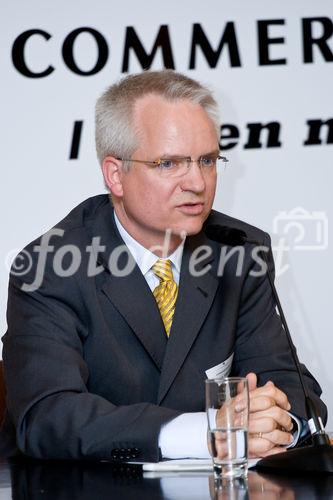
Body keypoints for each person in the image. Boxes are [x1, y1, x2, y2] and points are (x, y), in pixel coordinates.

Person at [2, 70, 326, 461]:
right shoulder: (49, 268)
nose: (198, 183)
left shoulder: (239, 251)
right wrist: (207, 434)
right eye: (170, 164)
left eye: (207, 160)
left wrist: (276, 421)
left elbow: (290, 385)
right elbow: (48, 417)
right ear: (115, 175)